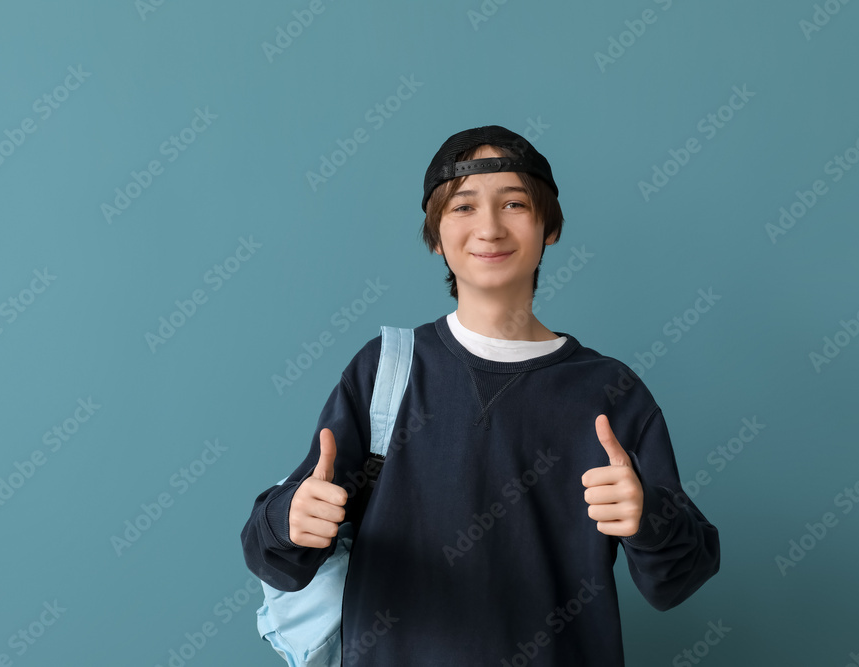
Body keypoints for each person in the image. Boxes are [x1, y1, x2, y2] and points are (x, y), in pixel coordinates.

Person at [241, 125, 720, 665]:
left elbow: (678, 579)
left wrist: (647, 516)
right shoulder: (386, 370)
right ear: (436, 233)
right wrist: (291, 519)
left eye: (514, 203)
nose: (489, 228)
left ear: (549, 226)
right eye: (463, 207)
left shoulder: (611, 392)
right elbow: (273, 555)